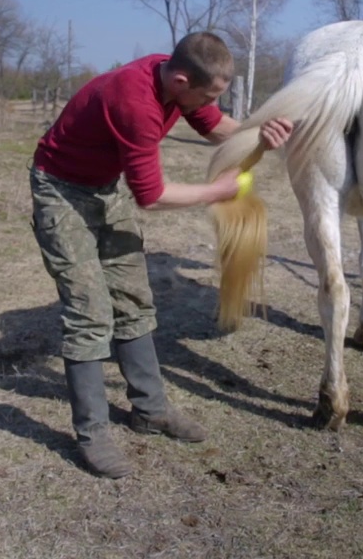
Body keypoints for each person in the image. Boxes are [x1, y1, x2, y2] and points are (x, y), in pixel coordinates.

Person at [28, 30, 293, 478]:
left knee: (134, 300)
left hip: (103, 188)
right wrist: (217, 191)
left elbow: (213, 125)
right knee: (90, 313)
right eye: (207, 94)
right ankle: (92, 434)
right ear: (181, 82)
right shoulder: (135, 104)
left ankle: (150, 411)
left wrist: (260, 133)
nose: (212, 103)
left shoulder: (172, 74)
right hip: (61, 192)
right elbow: (151, 195)